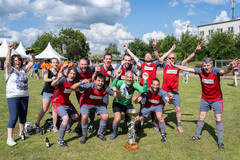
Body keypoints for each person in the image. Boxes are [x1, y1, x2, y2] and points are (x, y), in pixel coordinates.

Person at [171, 57, 239, 149]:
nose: (206, 67)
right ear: (202, 66)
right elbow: (187, 69)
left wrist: (230, 67)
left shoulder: (215, 71)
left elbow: (224, 71)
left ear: (211, 65)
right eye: (204, 66)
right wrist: (175, 65)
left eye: (208, 65)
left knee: (218, 118)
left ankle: (220, 141)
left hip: (217, 99)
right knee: (201, 116)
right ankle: (197, 135)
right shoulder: (200, 71)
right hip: (205, 99)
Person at [124, 41, 176, 128]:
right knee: (143, 104)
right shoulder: (142, 64)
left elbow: (162, 57)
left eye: (149, 55)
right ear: (144, 58)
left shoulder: (154, 64)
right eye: (146, 56)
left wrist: (171, 49)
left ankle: (152, 121)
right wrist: (127, 49)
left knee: (153, 104)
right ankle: (141, 120)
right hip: (144, 89)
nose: (148, 56)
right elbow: (133, 56)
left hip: (153, 89)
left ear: (151, 58)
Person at [154, 42, 202, 133]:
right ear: (167, 58)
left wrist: (195, 51)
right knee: (161, 109)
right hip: (164, 91)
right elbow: (157, 57)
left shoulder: (178, 65)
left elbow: (188, 58)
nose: (171, 59)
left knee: (178, 109)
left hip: (175, 91)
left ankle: (179, 125)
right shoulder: (164, 64)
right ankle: (159, 124)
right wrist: (155, 48)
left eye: (173, 58)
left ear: (175, 59)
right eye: (170, 58)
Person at [71, 72, 121, 144]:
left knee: (106, 116)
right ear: (94, 81)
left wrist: (117, 91)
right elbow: (72, 88)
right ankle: (84, 135)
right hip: (86, 103)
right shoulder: (90, 86)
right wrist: (81, 82)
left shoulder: (106, 87)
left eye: (102, 81)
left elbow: (118, 96)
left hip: (99, 104)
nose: (100, 83)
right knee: (84, 117)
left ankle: (99, 133)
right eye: (98, 80)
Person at [5, 44, 35, 146]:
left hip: (24, 96)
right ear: (13, 62)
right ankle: (9, 138)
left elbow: (32, 63)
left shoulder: (22, 70)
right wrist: (9, 50)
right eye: (16, 60)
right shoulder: (10, 70)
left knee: (23, 116)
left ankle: (22, 132)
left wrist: (33, 55)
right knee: (14, 117)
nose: (18, 61)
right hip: (13, 97)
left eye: (19, 60)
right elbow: (7, 62)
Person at [109, 71, 148, 140]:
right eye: (127, 77)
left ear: (132, 78)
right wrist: (117, 77)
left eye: (131, 77)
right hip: (117, 104)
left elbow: (143, 90)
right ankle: (114, 132)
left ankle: (131, 131)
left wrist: (145, 80)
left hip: (128, 105)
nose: (129, 79)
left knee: (137, 118)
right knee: (117, 118)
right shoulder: (121, 82)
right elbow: (112, 87)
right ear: (125, 77)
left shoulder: (133, 84)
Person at [133, 78, 173, 142]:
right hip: (148, 106)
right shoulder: (147, 91)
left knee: (160, 117)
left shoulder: (161, 91)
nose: (155, 86)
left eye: (157, 85)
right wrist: (135, 99)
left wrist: (171, 98)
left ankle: (163, 134)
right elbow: (138, 100)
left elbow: (169, 102)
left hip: (157, 106)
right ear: (151, 85)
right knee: (137, 119)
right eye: (154, 84)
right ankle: (134, 128)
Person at [51, 65, 79, 147]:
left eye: (74, 74)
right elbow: (53, 84)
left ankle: (67, 128)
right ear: (68, 73)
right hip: (58, 102)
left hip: (67, 102)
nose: (72, 75)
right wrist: (58, 78)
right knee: (66, 118)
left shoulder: (74, 82)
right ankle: (60, 140)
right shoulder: (63, 79)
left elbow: (79, 88)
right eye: (71, 73)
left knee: (76, 116)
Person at [35, 58, 60, 132]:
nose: (55, 64)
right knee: (44, 109)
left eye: (56, 62)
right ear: (51, 64)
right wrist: (52, 79)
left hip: (55, 93)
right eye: (54, 62)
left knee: (54, 110)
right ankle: (37, 123)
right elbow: (45, 79)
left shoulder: (59, 72)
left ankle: (54, 126)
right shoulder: (47, 71)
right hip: (47, 92)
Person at [74, 58, 96, 133]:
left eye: (85, 64)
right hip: (80, 93)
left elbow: (99, 67)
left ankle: (91, 123)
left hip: (90, 92)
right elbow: (73, 85)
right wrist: (79, 90)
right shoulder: (76, 72)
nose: (84, 66)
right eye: (82, 64)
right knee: (83, 108)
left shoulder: (91, 68)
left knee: (92, 108)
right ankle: (80, 125)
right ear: (79, 65)